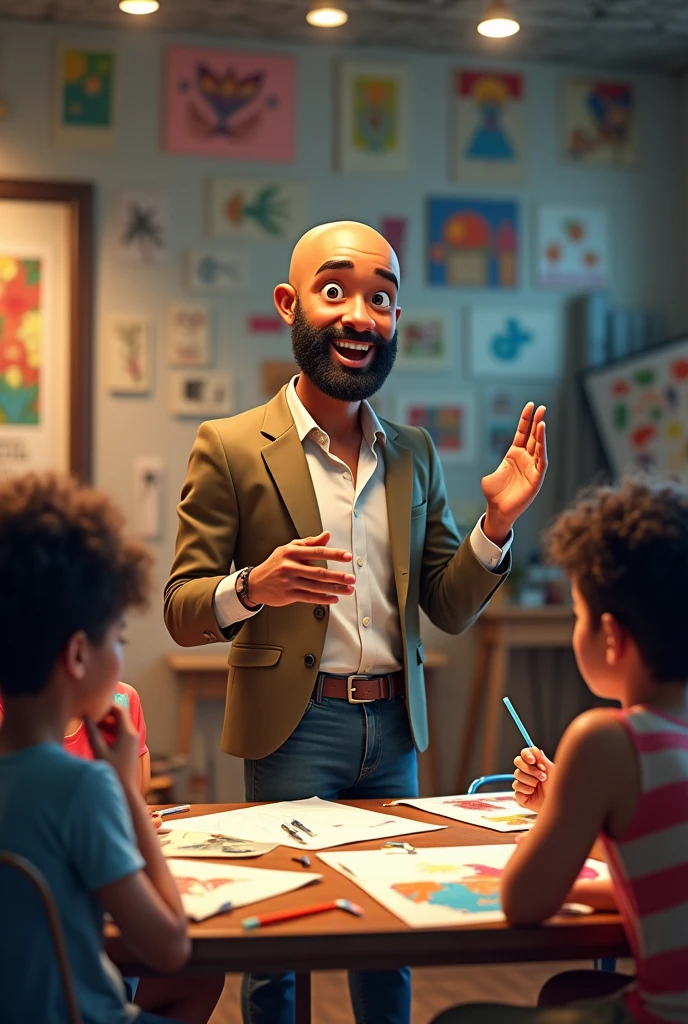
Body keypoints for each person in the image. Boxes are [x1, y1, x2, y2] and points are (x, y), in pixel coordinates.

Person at [165, 220, 548, 1024]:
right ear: (289, 303)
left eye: (383, 298)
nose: (361, 315)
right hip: (293, 728)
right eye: (335, 290)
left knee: (392, 939)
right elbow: (181, 608)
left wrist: (496, 526)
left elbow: (445, 604)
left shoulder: (413, 453)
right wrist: (255, 586)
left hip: (395, 730)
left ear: (397, 320)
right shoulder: (231, 446)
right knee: (280, 944)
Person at [431, 477, 688, 1024]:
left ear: (612, 637)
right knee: (569, 990)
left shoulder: (608, 740)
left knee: (457, 1019)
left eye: (578, 614)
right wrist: (564, 805)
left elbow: (523, 901)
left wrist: (571, 807)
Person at [0, 471, 191, 1024]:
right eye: (118, 638)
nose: (122, 655)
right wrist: (127, 794)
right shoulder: (81, 789)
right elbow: (169, 947)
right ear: (78, 655)